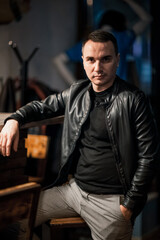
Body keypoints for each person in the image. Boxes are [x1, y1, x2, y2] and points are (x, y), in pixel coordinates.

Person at [0, 30, 159, 240]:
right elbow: (42, 106)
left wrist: (129, 205)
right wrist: (14, 119)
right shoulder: (77, 92)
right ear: (83, 61)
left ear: (117, 60)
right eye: (91, 60)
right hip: (73, 191)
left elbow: (149, 156)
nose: (97, 68)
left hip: (111, 202)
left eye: (106, 59)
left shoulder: (133, 99)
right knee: (12, 221)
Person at [53, 0, 152, 85]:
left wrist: (77, 87)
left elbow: (58, 60)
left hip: (98, 98)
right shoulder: (122, 38)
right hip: (119, 95)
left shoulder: (88, 43)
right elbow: (147, 19)